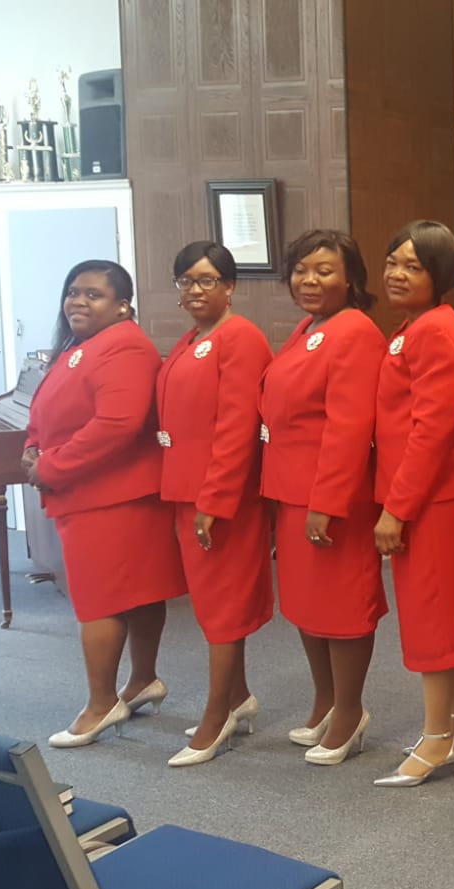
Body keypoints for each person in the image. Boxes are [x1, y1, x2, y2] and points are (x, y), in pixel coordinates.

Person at [26, 260, 187, 749]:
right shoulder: (83, 344)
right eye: (73, 292)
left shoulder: (125, 347)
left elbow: (116, 424)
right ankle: (143, 681)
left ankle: (101, 705)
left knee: (102, 601)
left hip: (114, 498)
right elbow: (48, 407)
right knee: (136, 591)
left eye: (93, 294)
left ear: (122, 305)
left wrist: (51, 466)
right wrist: (32, 446)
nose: (78, 301)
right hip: (97, 494)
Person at [260, 229, 386, 765]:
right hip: (292, 490)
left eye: (324, 270)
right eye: (301, 270)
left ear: (351, 279)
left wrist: (327, 502)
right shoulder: (309, 327)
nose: (309, 280)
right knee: (307, 605)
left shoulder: (355, 331)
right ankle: (326, 701)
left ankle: (350, 712)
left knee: (342, 607)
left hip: (331, 497)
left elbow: (348, 427)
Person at [370, 220, 454, 788]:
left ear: (440, 275)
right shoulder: (418, 325)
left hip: (431, 501)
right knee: (443, 618)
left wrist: (397, 508)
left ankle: (438, 738)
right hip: (431, 498)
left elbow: (431, 430)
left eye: (412, 266)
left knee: (432, 621)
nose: (397, 273)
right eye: (393, 261)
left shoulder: (433, 330)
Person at [156, 241, 274, 767]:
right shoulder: (192, 338)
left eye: (206, 280)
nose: (195, 290)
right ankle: (238, 696)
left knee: (223, 607)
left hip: (219, 497)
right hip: (187, 490)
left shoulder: (239, 336)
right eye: (186, 280)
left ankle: (216, 717)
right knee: (211, 605)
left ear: (230, 286)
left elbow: (237, 425)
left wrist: (215, 499)